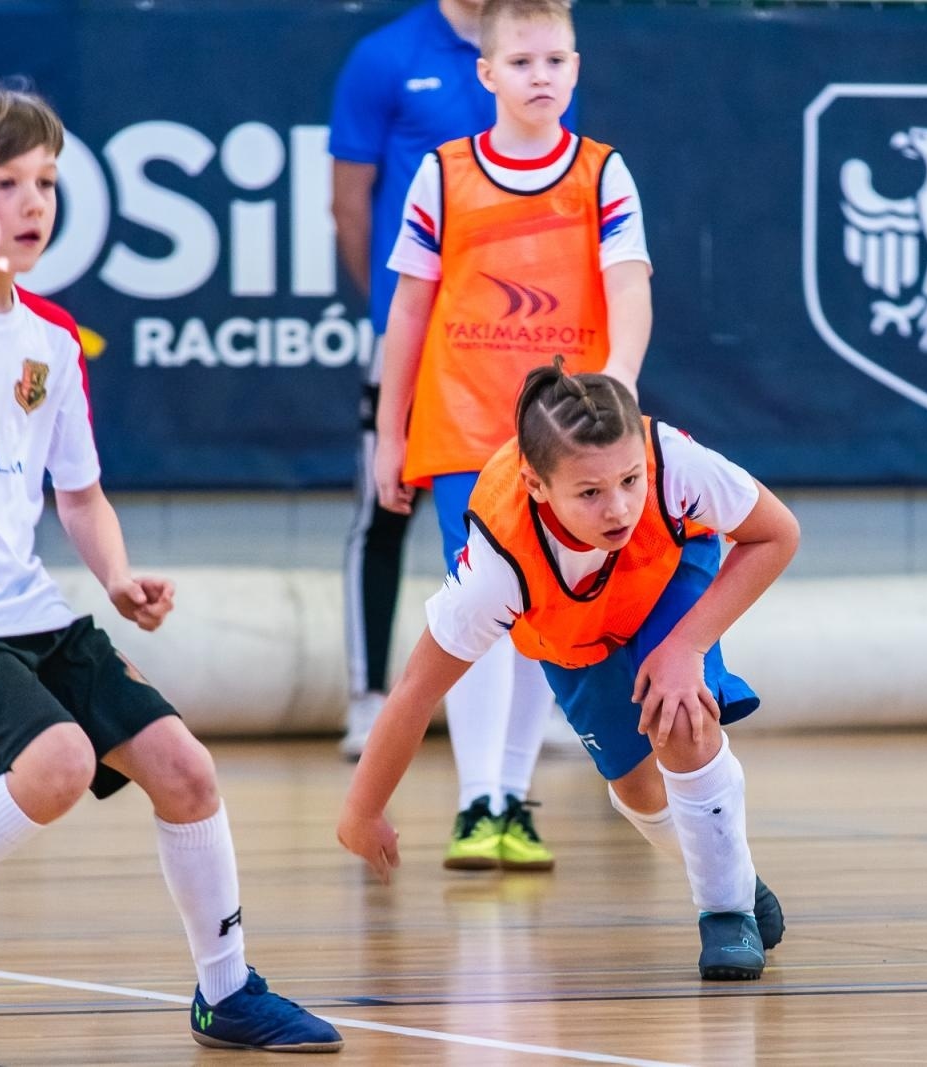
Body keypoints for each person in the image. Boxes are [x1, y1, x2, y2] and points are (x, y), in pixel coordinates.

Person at [0, 72, 341, 1059]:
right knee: (57, 762)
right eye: (3, 181)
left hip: (27, 603)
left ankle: (226, 991)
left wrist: (119, 576)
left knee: (185, 770)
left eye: (44, 181)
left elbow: (77, 493)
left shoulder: (51, 338)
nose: (31, 202)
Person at [341, 360, 797, 977]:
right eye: (589, 492)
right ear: (535, 485)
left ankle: (724, 914)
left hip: (666, 580)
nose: (619, 508)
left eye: (630, 480)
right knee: (636, 789)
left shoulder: (676, 464)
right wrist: (362, 811)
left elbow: (776, 534)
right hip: (572, 635)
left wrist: (686, 648)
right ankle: (733, 874)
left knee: (680, 718)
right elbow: (417, 691)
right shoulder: (497, 566)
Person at [371, 0, 650, 873]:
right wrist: (390, 432)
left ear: (577, 67)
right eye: (523, 62)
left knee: (540, 610)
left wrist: (622, 396)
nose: (542, 77)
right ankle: (474, 803)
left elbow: (631, 286)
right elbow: (407, 312)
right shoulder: (443, 175)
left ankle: (512, 800)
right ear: (485, 75)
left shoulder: (603, 174)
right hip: (462, 432)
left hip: (563, 438)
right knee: (478, 608)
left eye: (557, 61)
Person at [330, 0, 533, 762]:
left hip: (515, 343)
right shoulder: (383, 57)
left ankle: (533, 698)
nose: (536, 73)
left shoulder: (531, 48)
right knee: (384, 508)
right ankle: (368, 698)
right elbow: (349, 203)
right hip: (416, 333)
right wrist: (396, 317)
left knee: (532, 513)